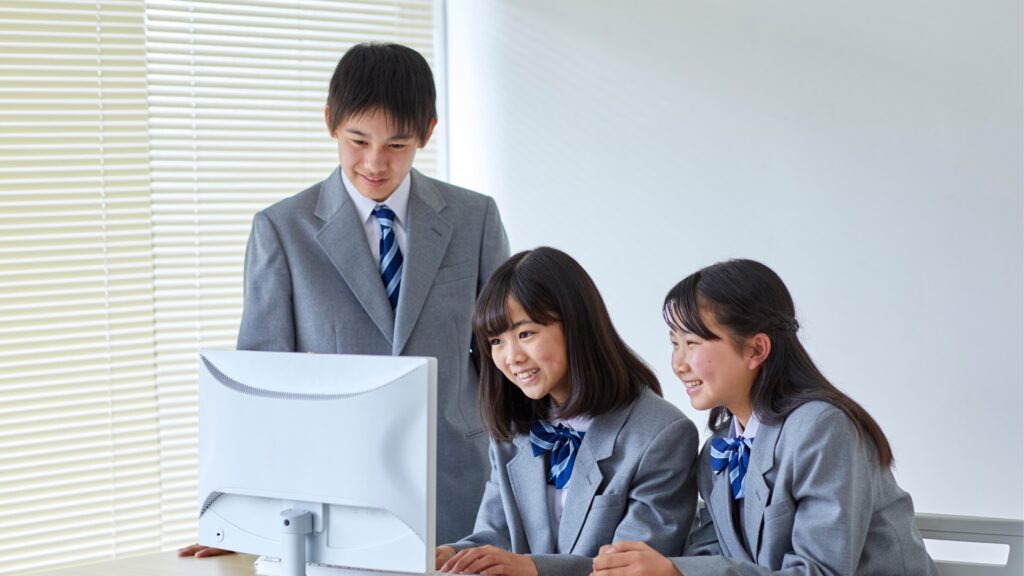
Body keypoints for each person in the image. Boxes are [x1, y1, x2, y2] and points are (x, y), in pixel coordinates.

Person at [179, 42, 509, 557]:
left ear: (427, 132)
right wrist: (246, 521)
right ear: (330, 121)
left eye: (397, 144)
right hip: (331, 502)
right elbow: (263, 390)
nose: (375, 162)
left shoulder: (475, 218)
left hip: (463, 496)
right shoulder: (281, 230)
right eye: (358, 140)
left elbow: (507, 366)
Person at [592, 259, 939, 575]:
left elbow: (821, 572)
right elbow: (707, 556)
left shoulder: (822, 429)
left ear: (756, 349)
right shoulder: (717, 450)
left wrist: (676, 573)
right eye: (674, 343)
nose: (678, 364)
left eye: (692, 343)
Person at [436, 247, 699, 576]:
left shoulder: (662, 434)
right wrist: (453, 554)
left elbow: (631, 569)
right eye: (496, 341)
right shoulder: (512, 430)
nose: (511, 357)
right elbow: (497, 537)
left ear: (576, 325)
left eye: (525, 333)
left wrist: (533, 568)